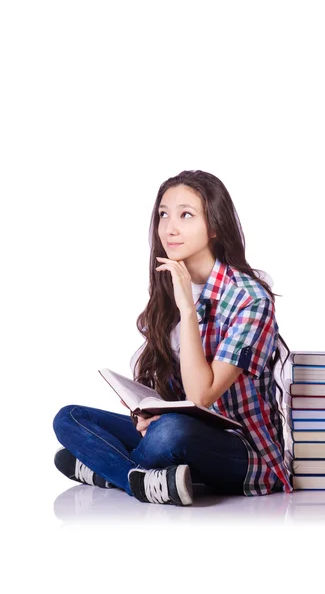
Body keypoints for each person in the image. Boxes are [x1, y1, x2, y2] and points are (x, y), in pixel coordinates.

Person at [53, 169, 293, 506]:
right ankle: (138, 480)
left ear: (214, 226)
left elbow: (201, 394)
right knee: (71, 418)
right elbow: (176, 394)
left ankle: (107, 470)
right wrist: (146, 412)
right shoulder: (168, 288)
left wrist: (188, 310)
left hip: (245, 452)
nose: (170, 227)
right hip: (184, 433)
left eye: (186, 215)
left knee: (169, 434)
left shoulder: (249, 299)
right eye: (163, 214)